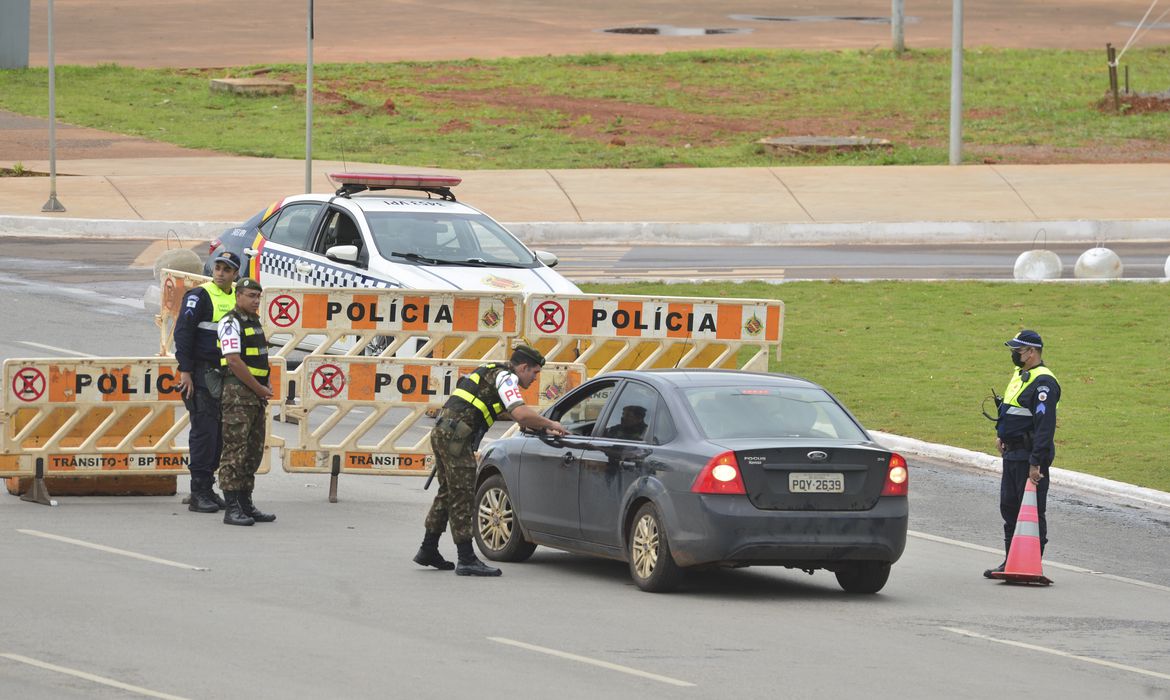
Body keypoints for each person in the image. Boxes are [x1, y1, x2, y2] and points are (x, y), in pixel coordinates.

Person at [414, 344, 566, 576]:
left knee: (448, 492)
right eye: (534, 372)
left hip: (446, 432)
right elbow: (520, 413)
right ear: (523, 367)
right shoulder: (507, 378)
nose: (535, 379)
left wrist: (541, 428)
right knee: (463, 494)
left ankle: (428, 549)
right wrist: (551, 424)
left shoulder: (492, 371)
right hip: (457, 437)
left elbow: (511, 414)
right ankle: (466, 559)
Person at [984, 329, 1061, 578]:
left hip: (1029, 456)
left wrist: (1036, 462)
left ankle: (1029, 563)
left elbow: (1044, 425)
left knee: (1031, 512)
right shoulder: (1021, 375)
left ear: (1031, 352)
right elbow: (1012, 410)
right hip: (1012, 453)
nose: (1013, 354)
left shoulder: (1044, 383)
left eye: (1017, 350)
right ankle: (1011, 561)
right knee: (1010, 507)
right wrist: (1002, 435)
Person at [174, 250, 239, 513]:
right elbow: (183, 334)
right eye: (217, 267)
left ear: (236, 274)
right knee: (204, 434)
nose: (221, 272)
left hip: (225, 375)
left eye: (227, 269)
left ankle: (208, 488)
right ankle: (198, 491)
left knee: (220, 436)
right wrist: (186, 371)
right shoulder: (200, 296)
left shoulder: (237, 296)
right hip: (201, 374)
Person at [216, 277, 276, 526]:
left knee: (252, 452)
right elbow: (234, 361)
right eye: (250, 296)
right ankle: (232, 508)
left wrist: (266, 385)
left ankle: (245, 503)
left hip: (254, 396)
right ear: (238, 296)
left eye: (258, 296)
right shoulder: (230, 323)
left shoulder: (254, 323)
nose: (255, 301)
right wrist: (259, 388)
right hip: (238, 395)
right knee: (235, 451)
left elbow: (258, 359)